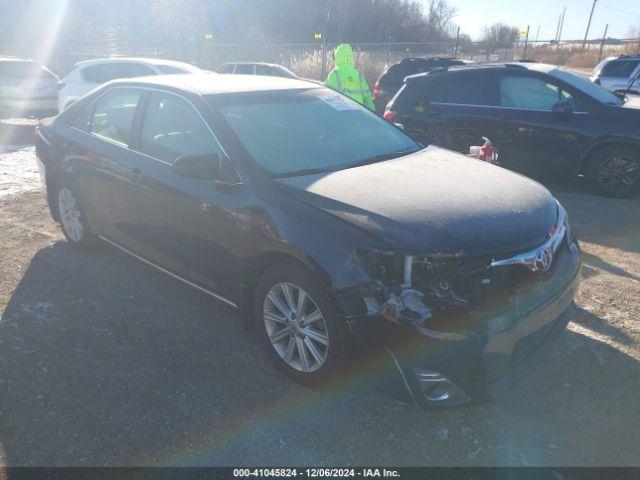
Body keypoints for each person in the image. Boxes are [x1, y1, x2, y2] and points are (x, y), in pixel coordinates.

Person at [324, 44, 375, 110]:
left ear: (337, 57)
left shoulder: (335, 74)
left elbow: (325, 94)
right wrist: (372, 116)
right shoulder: (358, 75)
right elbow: (367, 98)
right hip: (359, 114)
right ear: (351, 57)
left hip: (342, 114)